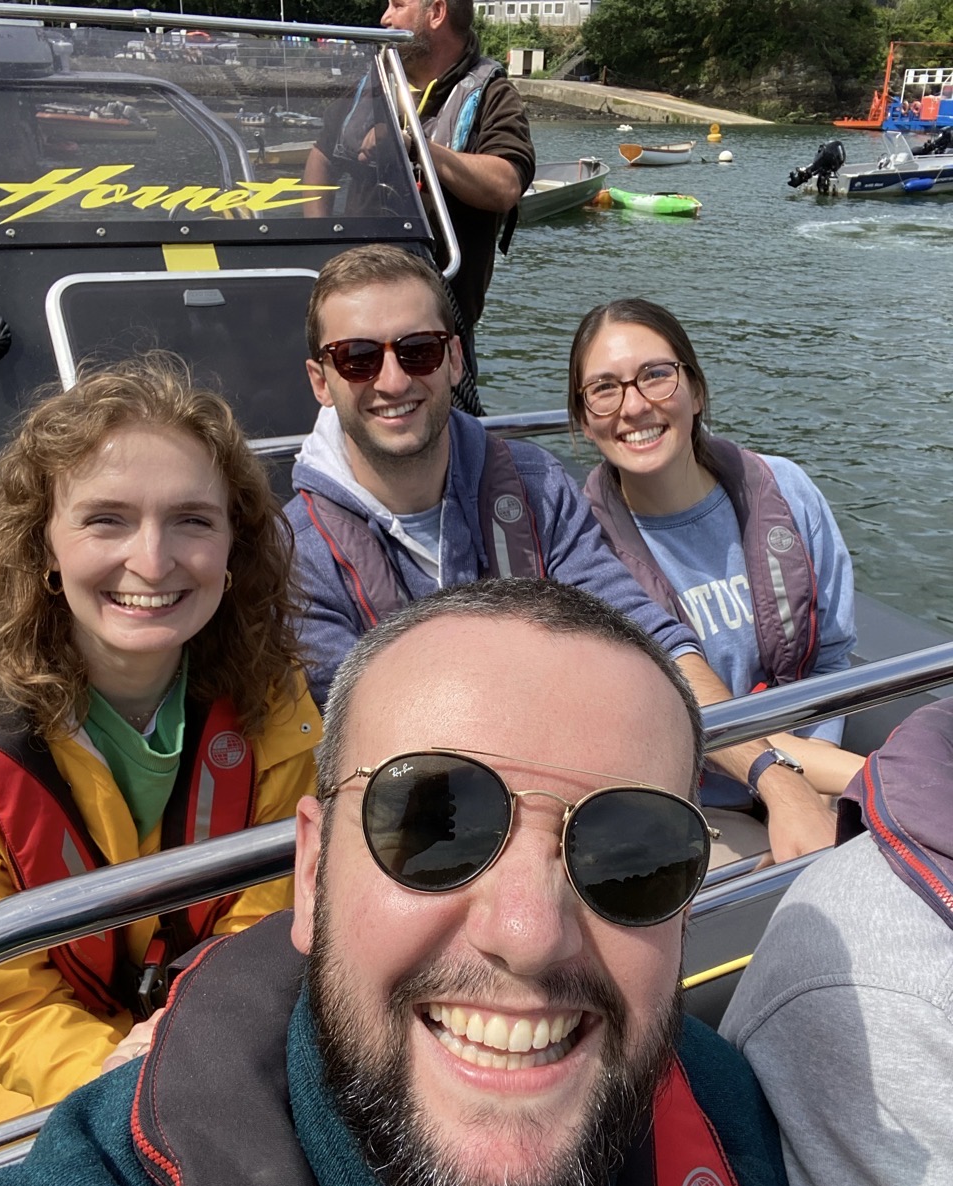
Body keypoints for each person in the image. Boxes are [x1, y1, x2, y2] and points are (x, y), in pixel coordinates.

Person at [0, 578, 808, 1186]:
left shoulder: (732, 1112)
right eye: (434, 828)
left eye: (634, 851)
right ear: (311, 876)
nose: (529, 930)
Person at [289, 245, 839, 863]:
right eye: (359, 359)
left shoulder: (535, 486)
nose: (392, 380)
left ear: (453, 360)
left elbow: (649, 640)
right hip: (429, 848)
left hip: (584, 813)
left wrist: (775, 775)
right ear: (322, 381)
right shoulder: (300, 557)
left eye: (418, 350)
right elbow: (369, 753)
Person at [0, 356, 321, 1122]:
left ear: (233, 550)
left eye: (192, 521)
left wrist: (190, 1038)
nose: (152, 559)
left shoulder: (274, 708)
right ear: (44, 545)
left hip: (207, 1054)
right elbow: (3, 1003)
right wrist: (110, 1069)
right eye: (106, 518)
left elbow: (267, 929)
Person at [570, 298, 863, 861]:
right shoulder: (583, 548)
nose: (633, 406)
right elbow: (654, 716)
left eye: (656, 375)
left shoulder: (786, 493)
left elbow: (829, 660)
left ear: (696, 391)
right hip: (682, 805)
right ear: (584, 420)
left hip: (806, 768)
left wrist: (815, 785)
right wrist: (831, 778)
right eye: (604, 388)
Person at [721, 697, 953, 1186]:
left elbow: (825, 676)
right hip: (718, 785)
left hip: (799, 768)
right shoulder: (899, 974)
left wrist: (823, 781)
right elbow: (673, 673)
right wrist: (784, 778)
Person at [302, 0, 535, 350]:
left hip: (438, 322)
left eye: (397, 5)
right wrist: (320, 247)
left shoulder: (492, 94)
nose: (384, 18)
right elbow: (321, 156)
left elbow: (505, 185)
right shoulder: (371, 82)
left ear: (436, 12)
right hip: (355, 309)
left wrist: (414, 147)